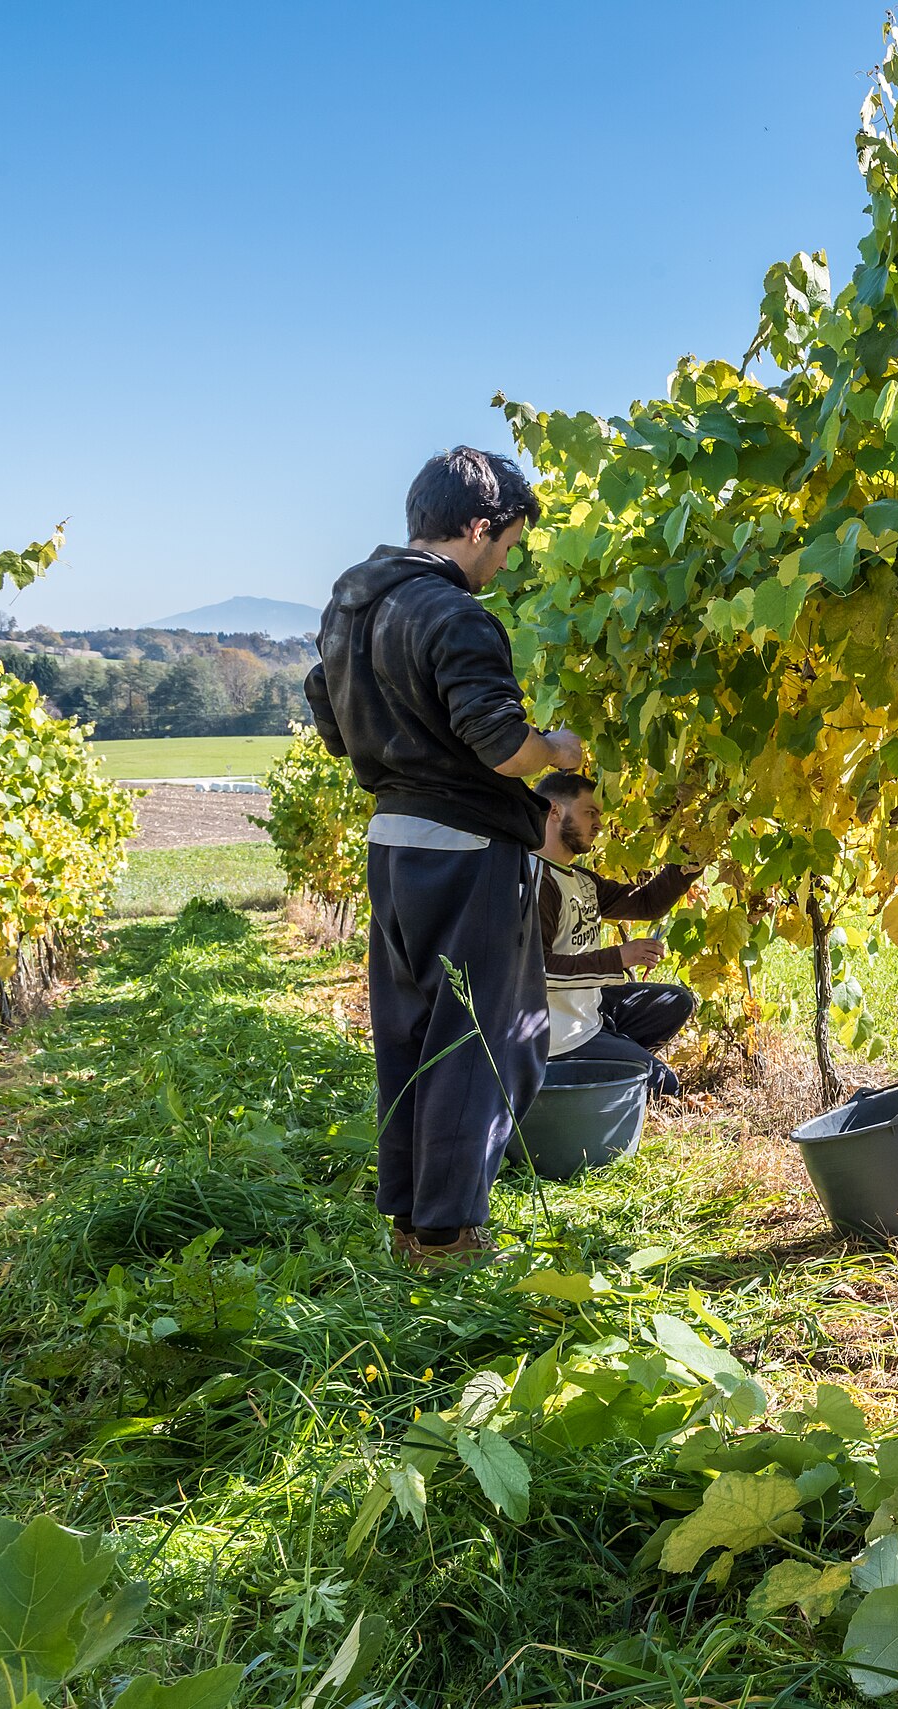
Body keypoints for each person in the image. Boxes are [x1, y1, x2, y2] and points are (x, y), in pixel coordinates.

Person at [306, 447, 582, 1270]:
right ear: (475, 526)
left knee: (409, 1033)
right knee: (487, 1039)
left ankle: (413, 1220)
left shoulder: (351, 609)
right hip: (464, 850)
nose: (503, 563)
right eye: (505, 544)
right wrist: (554, 748)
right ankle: (452, 1235)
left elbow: (329, 720)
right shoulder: (455, 615)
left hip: (391, 845)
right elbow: (502, 746)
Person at [532, 772, 700, 1097]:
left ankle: (609, 1057)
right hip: (557, 1035)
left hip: (588, 1012)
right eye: (589, 812)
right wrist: (620, 957)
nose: (598, 824)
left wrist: (689, 859)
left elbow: (646, 903)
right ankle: (580, 1076)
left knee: (674, 1000)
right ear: (554, 810)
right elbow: (538, 972)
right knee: (665, 1087)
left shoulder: (580, 879)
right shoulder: (535, 880)